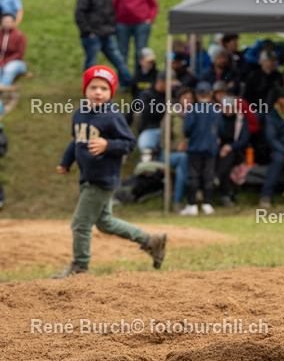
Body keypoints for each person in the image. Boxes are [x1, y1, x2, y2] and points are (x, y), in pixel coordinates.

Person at [54, 66, 166, 278]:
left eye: (104, 89)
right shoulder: (79, 114)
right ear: (85, 90)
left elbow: (129, 143)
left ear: (111, 92)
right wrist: (66, 162)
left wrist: (108, 145)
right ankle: (151, 241)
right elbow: (76, 141)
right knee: (105, 223)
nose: (98, 92)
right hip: (87, 176)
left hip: (103, 178)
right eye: (93, 87)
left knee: (80, 224)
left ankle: (80, 267)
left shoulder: (112, 116)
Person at [75, 0, 132, 85]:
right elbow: (79, 13)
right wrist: (88, 31)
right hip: (92, 36)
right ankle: (89, 86)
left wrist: (111, 28)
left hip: (107, 34)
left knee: (119, 60)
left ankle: (129, 84)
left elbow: (110, 12)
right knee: (91, 63)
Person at [112, 0, 158, 78]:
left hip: (142, 24)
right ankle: (124, 80)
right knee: (122, 53)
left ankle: (139, 80)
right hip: (122, 24)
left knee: (141, 53)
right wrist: (115, 19)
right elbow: (113, 3)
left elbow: (154, 4)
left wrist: (150, 19)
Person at [181, 82, 223, 216]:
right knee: (208, 176)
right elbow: (221, 129)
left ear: (197, 95)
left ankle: (192, 204)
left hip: (195, 148)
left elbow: (187, 129)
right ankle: (208, 203)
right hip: (211, 149)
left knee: (193, 176)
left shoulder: (193, 110)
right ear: (211, 94)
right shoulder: (216, 110)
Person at [215, 94, 250, 207]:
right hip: (217, 150)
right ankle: (225, 195)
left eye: (230, 107)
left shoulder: (241, 119)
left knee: (228, 157)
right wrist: (221, 149)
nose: (228, 110)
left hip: (235, 151)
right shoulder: (216, 118)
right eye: (226, 107)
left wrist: (230, 147)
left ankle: (217, 178)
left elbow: (244, 139)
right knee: (225, 160)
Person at [135, 71, 167, 159]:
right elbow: (147, 113)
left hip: (168, 132)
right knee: (146, 148)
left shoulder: (172, 94)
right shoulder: (146, 94)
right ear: (159, 81)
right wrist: (165, 108)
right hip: (150, 129)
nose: (171, 87)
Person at [0, 13, 26, 88]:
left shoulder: (19, 35)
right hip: (1, 61)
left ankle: (2, 90)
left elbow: (20, 53)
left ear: (13, 22)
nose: (7, 24)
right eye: (5, 22)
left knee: (9, 69)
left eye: (9, 22)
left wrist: (6, 61)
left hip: (16, 62)